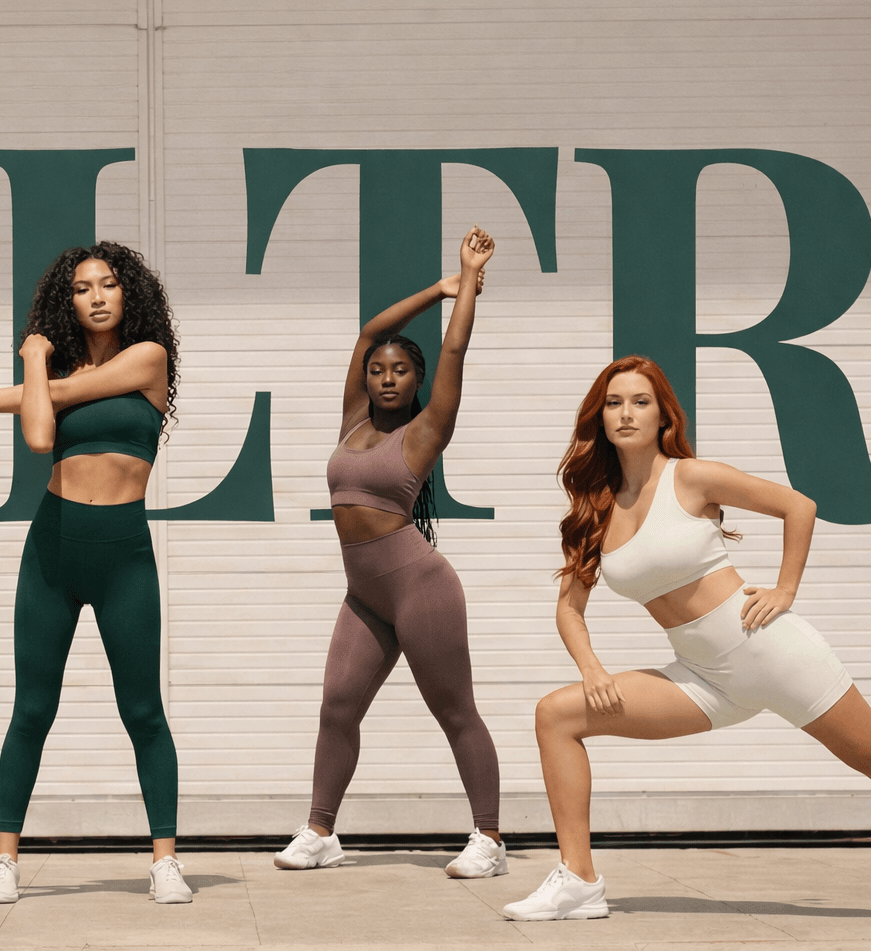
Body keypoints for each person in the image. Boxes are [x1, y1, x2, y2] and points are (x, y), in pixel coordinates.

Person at [503, 356, 871, 921]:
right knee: (556, 715)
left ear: (661, 415)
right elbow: (570, 610)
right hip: (702, 679)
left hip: (771, 652)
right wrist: (592, 669)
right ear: (599, 417)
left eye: (640, 402)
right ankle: (578, 880)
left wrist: (786, 589)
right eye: (614, 402)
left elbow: (799, 506)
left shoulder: (691, 478)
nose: (626, 413)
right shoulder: (597, 509)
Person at [0, 240, 189, 904]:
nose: (95, 296)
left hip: (123, 556)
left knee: (142, 710)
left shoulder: (149, 359)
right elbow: (38, 433)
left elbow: (56, 394)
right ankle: (4, 858)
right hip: (53, 551)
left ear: (129, 295)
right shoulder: (50, 370)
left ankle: (165, 860)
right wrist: (15, 375)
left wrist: (15, 368)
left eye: (108, 284)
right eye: (82, 287)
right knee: (32, 709)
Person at [274, 226, 506, 879]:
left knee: (453, 710)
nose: (384, 378)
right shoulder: (352, 419)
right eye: (379, 371)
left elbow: (455, 346)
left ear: (418, 380)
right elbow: (369, 331)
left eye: (400, 370)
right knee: (337, 706)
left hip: (418, 587)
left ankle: (488, 837)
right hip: (365, 594)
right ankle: (321, 830)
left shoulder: (427, 429)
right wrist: (439, 287)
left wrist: (468, 286)